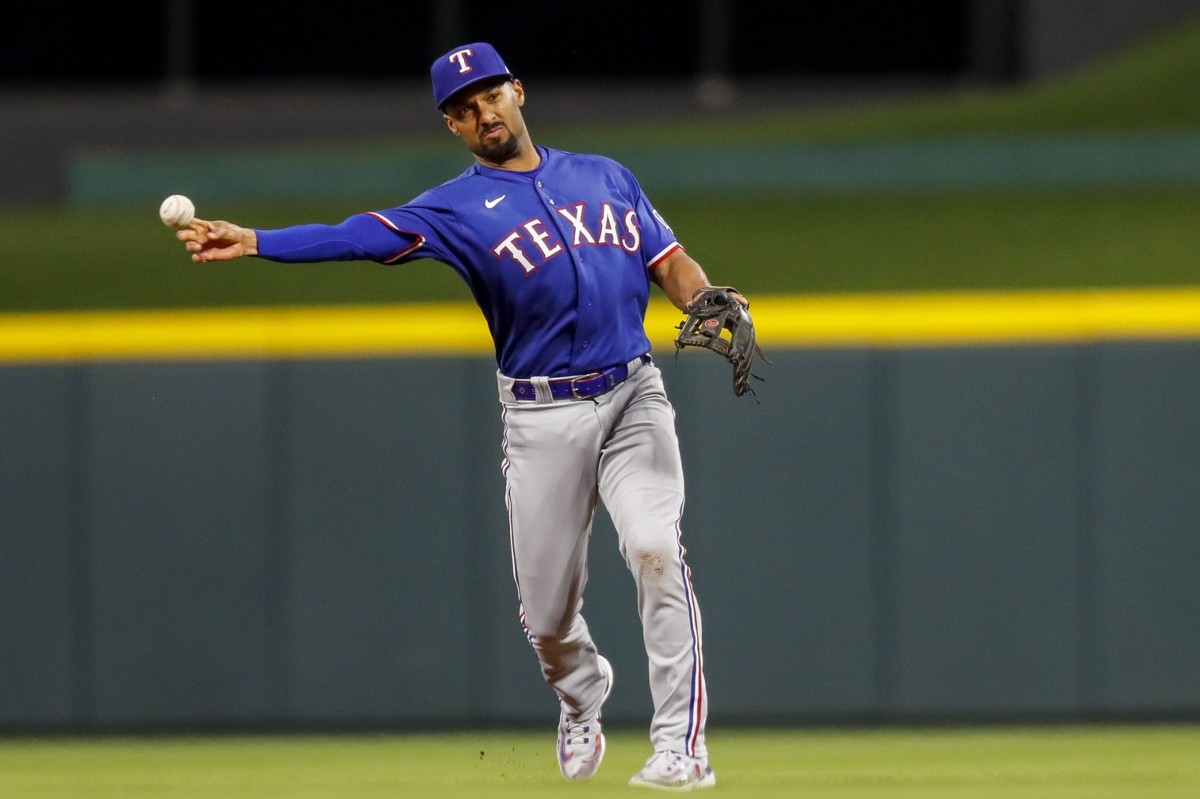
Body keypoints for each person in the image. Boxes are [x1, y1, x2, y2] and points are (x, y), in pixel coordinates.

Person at [177, 42, 745, 791]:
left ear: (518, 90)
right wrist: (256, 241)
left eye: (489, 96)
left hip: (633, 395)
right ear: (452, 125)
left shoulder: (607, 177)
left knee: (654, 549)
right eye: (463, 109)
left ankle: (681, 747)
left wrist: (704, 296)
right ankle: (582, 694)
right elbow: (356, 235)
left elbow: (670, 262)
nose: (483, 115)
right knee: (546, 617)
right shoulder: (452, 208)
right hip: (542, 418)